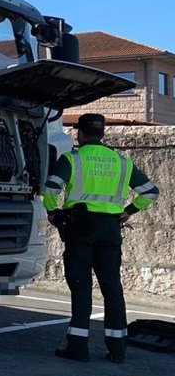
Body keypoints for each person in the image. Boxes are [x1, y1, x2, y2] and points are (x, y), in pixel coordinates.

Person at [44, 113, 160, 363]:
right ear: (103, 134)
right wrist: (127, 212)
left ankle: (78, 347)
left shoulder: (72, 159)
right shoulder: (121, 162)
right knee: (112, 287)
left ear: (80, 133)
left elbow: (51, 188)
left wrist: (53, 212)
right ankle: (118, 350)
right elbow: (151, 192)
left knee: (81, 285)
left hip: (81, 228)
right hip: (111, 229)